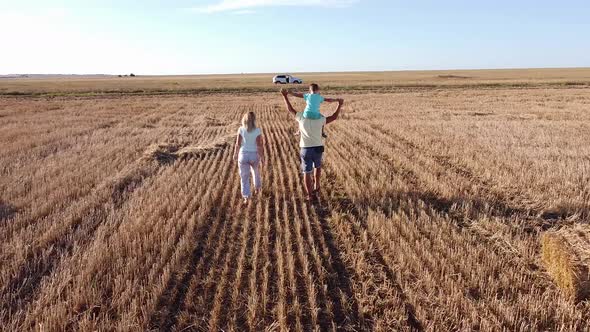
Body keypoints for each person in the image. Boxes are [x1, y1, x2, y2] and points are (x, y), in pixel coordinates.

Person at [281, 88, 343, 201]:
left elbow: (290, 109)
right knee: (317, 167)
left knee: (306, 172)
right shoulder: (320, 119)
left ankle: (310, 195)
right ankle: (317, 186)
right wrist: (339, 105)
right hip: (318, 148)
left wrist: (285, 96)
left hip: (305, 149)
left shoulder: (300, 117)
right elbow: (334, 117)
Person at [233, 111, 264, 204]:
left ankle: (246, 197)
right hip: (254, 155)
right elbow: (259, 146)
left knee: (244, 177)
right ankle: (257, 189)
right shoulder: (257, 130)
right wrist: (262, 157)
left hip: (243, 155)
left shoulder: (241, 129)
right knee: (256, 172)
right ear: (254, 120)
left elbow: (238, 144)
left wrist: (235, 154)